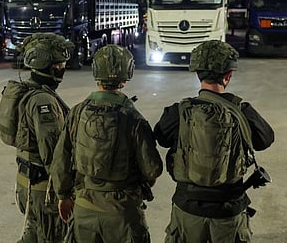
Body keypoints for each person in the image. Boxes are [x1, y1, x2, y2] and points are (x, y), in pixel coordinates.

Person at [154, 40, 275, 243]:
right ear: (228, 76)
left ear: (197, 74)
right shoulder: (243, 112)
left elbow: (161, 137)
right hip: (229, 211)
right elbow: (265, 139)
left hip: (188, 210)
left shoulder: (179, 112)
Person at [51, 44, 163, 243]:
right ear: (127, 74)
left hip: (84, 208)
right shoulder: (133, 117)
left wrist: (63, 195)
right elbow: (152, 169)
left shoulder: (77, 112)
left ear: (95, 71)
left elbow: (61, 158)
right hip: (122, 214)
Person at [13, 32, 73, 243]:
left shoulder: (32, 89)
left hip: (29, 182)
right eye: (60, 64)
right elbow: (53, 153)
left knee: (32, 235)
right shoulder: (43, 101)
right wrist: (64, 192)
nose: (63, 68)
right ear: (49, 65)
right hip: (43, 190)